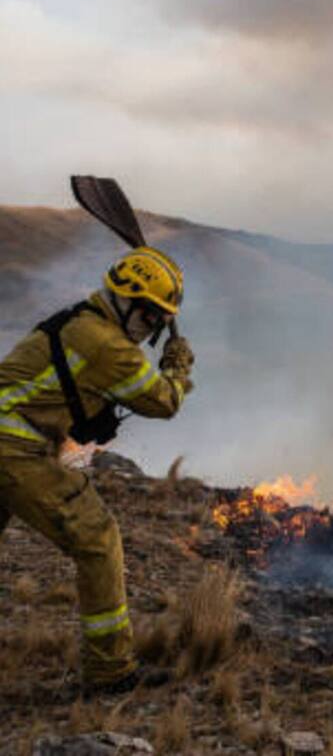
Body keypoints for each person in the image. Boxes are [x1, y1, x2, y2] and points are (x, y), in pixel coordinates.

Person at [0, 246, 194, 693]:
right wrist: (177, 364)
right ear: (124, 299)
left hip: (12, 444)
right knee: (99, 540)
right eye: (148, 318)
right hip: (16, 452)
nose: (149, 331)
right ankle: (110, 671)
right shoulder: (106, 345)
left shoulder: (80, 321)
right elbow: (163, 401)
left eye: (158, 323)